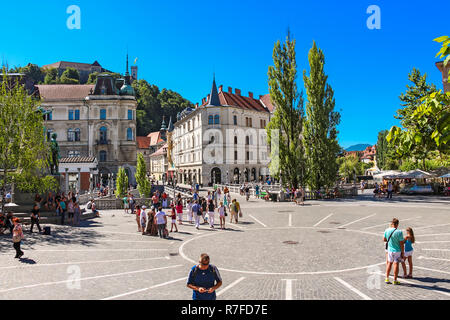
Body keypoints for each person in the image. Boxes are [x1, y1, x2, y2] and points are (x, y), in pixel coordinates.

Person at [383, 218, 405, 285]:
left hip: (389, 250)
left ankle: (387, 278)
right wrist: (402, 252)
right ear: (397, 224)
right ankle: (395, 280)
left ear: (392, 224)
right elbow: (401, 243)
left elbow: (384, 239)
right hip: (397, 251)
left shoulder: (387, 230)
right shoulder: (399, 232)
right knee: (396, 264)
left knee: (389, 263)